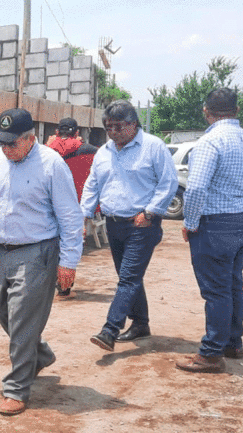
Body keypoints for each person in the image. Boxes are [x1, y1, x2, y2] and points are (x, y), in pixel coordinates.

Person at [0, 108, 83, 416]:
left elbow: (70, 217)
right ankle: (39, 354)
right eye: (2, 143)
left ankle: (16, 388)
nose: (6, 149)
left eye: (12, 143)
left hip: (38, 251)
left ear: (31, 139)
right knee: (3, 310)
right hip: (4, 250)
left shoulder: (51, 165)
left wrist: (68, 263)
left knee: (22, 319)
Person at [81, 100, 178, 352]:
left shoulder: (153, 147)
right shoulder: (104, 152)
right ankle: (141, 324)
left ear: (133, 124)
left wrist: (150, 212)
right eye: (108, 127)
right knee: (129, 277)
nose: (113, 132)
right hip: (114, 224)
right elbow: (93, 184)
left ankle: (109, 330)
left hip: (141, 225)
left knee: (128, 279)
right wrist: (85, 214)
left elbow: (168, 183)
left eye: (118, 127)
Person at [176, 88, 243, 373]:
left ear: (206, 112)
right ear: (237, 111)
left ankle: (211, 352)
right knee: (234, 284)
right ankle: (232, 343)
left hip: (214, 224)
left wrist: (190, 222)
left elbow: (197, 187)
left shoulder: (209, 143)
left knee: (216, 291)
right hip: (241, 220)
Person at [48, 118, 99, 298]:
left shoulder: (45, 151)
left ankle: (51, 281)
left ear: (56, 132)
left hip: (49, 205)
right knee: (71, 244)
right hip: (76, 206)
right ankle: (64, 286)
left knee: (52, 243)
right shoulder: (89, 151)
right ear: (77, 133)